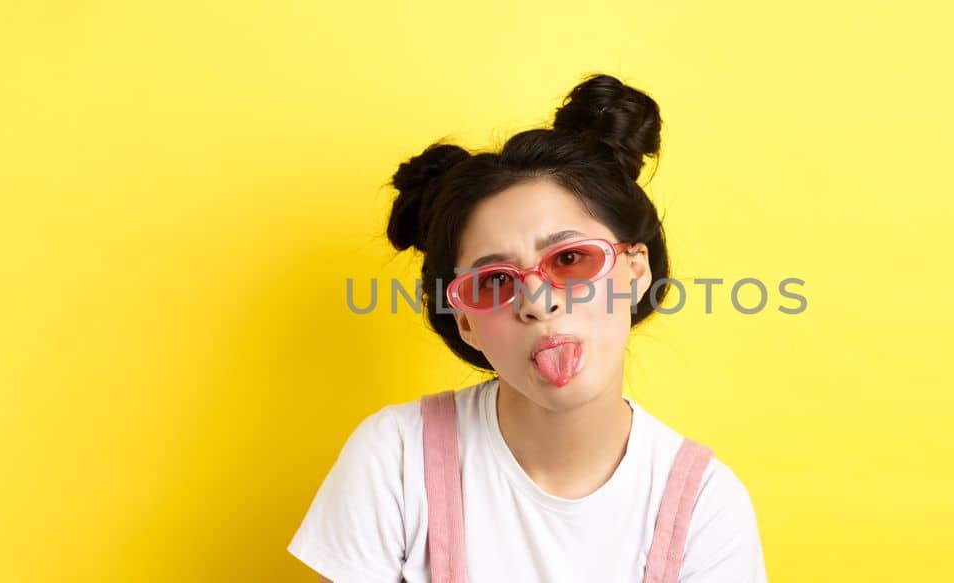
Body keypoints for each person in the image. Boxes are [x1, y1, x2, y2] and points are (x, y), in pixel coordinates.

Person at [288, 73, 767, 582]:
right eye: (494, 280)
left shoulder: (705, 507)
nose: (536, 302)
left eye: (570, 258)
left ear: (635, 272)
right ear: (466, 322)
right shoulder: (395, 458)